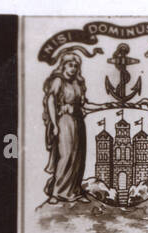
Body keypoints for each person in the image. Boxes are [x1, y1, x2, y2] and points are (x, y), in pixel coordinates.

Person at [41, 52, 106, 203]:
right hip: (64, 121)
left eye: (76, 66)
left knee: (78, 157)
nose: (73, 68)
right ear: (64, 65)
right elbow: (50, 101)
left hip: (78, 121)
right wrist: (55, 124)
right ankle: (57, 193)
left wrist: (102, 106)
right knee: (66, 155)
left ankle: (74, 191)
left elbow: (84, 104)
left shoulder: (78, 83)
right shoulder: (58, 81)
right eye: (70, 65)